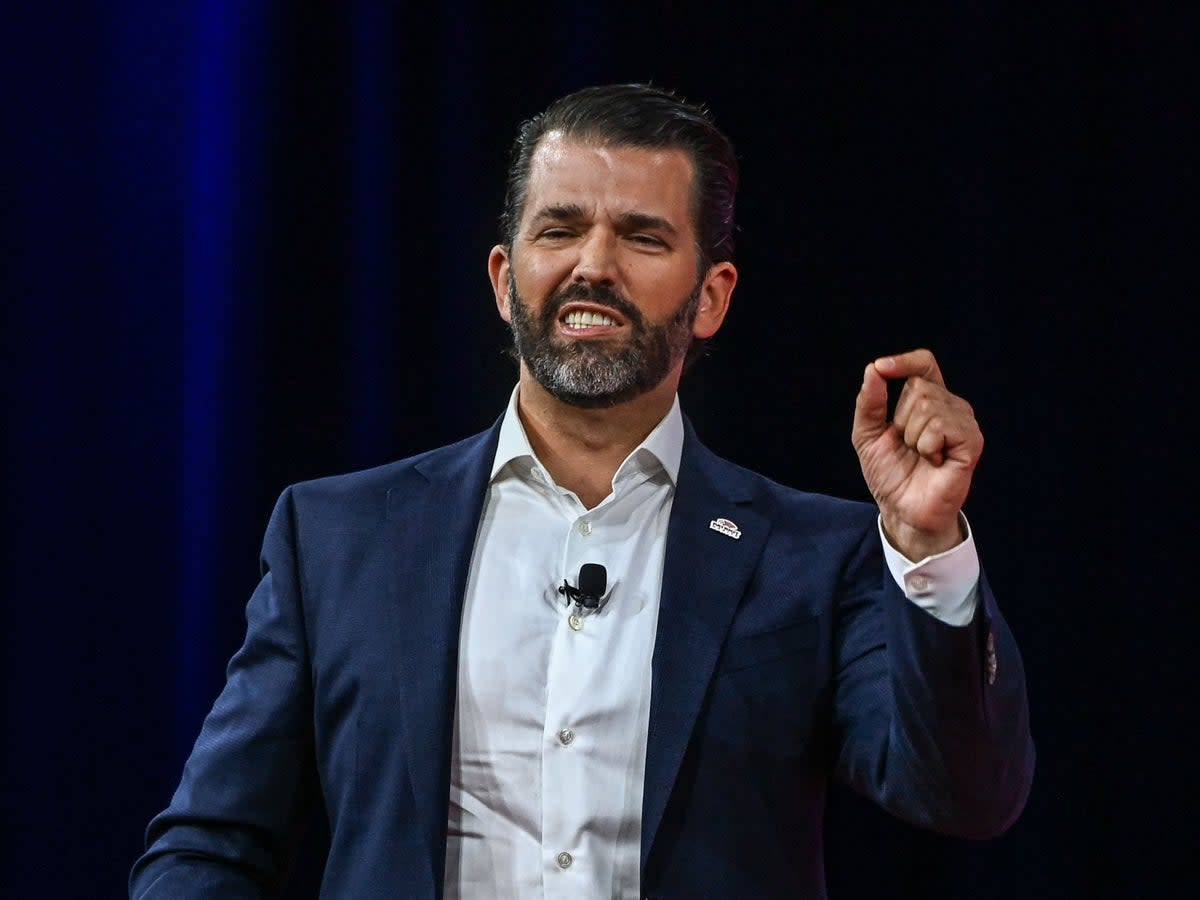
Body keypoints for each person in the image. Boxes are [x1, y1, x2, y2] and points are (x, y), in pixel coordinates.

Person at [131, 83, 1034, 899]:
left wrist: (926, 545)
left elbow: (963, 796)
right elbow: (213, 843)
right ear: (503, 277)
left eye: (642, 236)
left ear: (712, 297)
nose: (592, 266)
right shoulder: (339, 536)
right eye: (559, 229)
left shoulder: (816, 556)